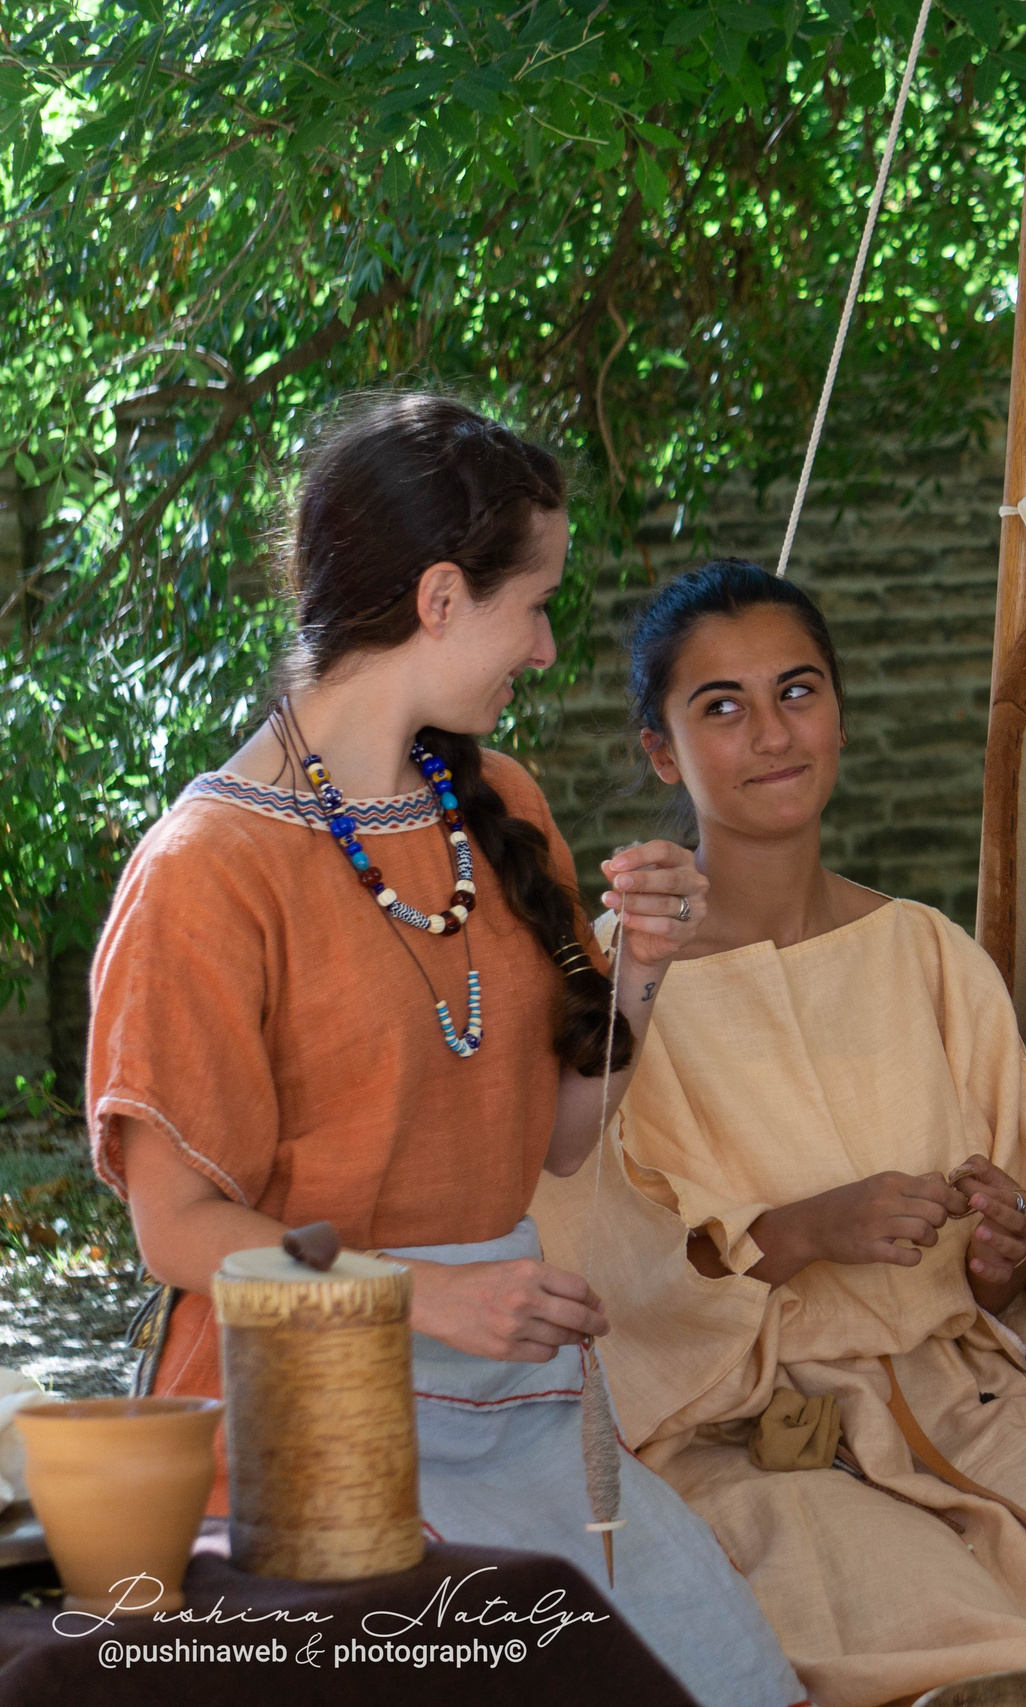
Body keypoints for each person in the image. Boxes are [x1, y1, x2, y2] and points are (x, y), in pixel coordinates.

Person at [86, 395, 802, 1706]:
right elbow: (176, 1228)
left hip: (510, 1398)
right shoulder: (208, 870)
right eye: (530, 604)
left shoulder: (501, 803)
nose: (541, 646)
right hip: (301, 1419)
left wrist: (638, 967)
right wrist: (428, 1294)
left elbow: (561, 1138)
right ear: (436, 599)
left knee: (722, 1678)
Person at [534, 560, 1026, 1707]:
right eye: (722, 707)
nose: (771, 734)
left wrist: (1001, 1252)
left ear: (840, 709)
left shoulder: (930, 955)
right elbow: (593, 1263)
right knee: (925, 1617)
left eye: (798, 692)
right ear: (662, 751)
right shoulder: (619, 979)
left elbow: (1024, 1268)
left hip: (968, 1403)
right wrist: (800, 1232)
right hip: (751, 1440)